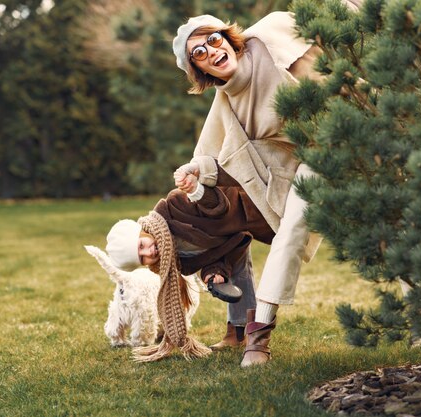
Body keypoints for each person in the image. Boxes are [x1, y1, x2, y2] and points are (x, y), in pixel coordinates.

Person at [170, 9, 348, 367]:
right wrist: (192, 173)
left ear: (227, 37)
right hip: (309, 164)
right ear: (199, 70)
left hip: (351, 134)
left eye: (213, 39)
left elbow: (332, 15)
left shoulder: (269, 34)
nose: (211, 50)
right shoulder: (227, 100)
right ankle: (258, 332)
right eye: (199, 53)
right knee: (293, 226)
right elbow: (210, 154)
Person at [105, 177, 276, 361]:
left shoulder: (173, 205)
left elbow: (216, 203)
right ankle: (242, 333)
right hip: (234, 240)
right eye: (142, 258)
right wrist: (213, 273)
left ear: (141, 232)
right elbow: (210, 255)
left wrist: (198, 192)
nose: (149, 252)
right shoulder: (176, 260)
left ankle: (243, 332)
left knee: (283, 224)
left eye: (141, 245)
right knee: (239, 270)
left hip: (243, 206)